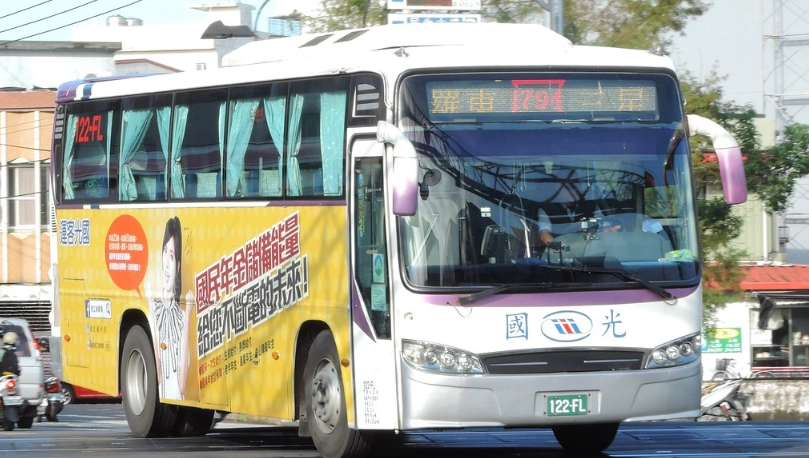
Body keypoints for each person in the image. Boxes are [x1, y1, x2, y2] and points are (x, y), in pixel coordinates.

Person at [148, 216, 191, 400]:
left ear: (178, 266)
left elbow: (182, 387)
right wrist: (150, 306)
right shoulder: (154, 308)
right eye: (165, 252)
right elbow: (157, 375)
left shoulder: (182, 317)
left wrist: (188, 315)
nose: (166, 262)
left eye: (172, 256)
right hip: (164, 393)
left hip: (176, 398)